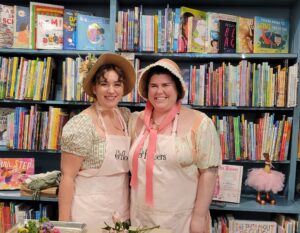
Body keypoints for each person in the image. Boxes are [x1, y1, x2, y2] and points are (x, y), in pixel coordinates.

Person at [128, 58, 222, 233]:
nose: (159, 91)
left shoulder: (200, 123)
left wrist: (199, 218)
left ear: (178, 88)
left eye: (166, 85)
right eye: (153, 85)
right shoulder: (135, 121)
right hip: (140, 218)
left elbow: (208, 173)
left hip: (182, 221)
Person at [58, 53, 136, 233]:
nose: (111, 90)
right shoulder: (82, 124)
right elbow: (68, 177)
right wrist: (64, 226)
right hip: (89, 215)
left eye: (117, 84)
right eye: (104, 84)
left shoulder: (125, 116)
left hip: (121, 213)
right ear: (94, 88)